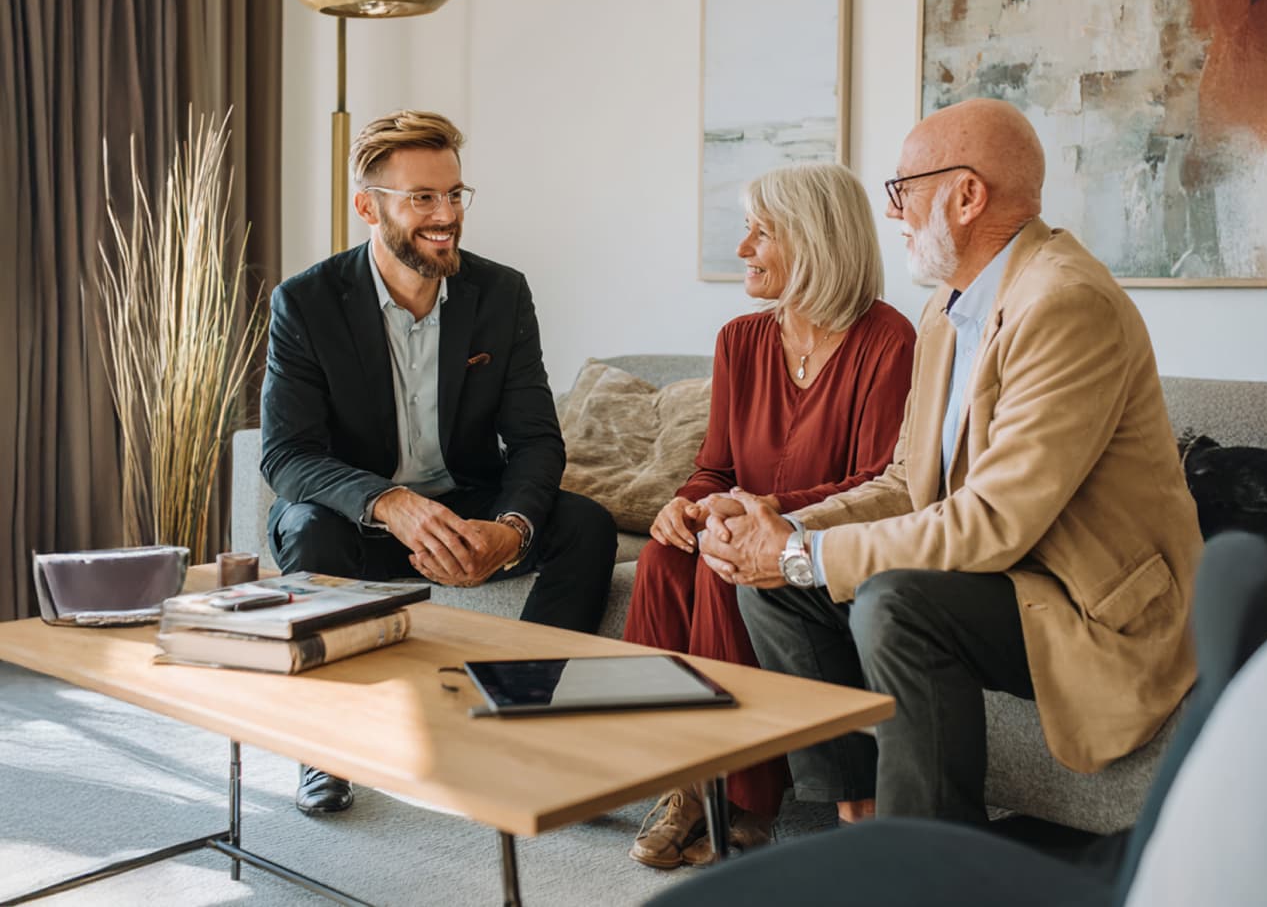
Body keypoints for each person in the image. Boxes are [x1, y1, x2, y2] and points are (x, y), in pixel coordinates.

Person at [699, 98, 1202, 826]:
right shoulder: (948, 309)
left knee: (895, 602)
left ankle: (935, 868)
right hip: (1006, 578)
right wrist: (777, 529)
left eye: (904, 188)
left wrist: (805, 552)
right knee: (772, 587)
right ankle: (860, 813)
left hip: (1082, 604)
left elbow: (994, 521)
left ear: (966, 196)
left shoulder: (1064, 304)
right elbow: (908, 483)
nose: (894, 210)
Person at [260, 110, 615, 815]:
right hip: (357, 521)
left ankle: (524, 721)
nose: (446, 214)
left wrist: (510, 528)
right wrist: (388, 503)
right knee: (307, 528)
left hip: (464, 509)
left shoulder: (501, 293)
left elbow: (537, 439)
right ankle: (324, 748)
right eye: (423, 197)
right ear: (368, 205)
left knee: (586, 525)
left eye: (454, 195)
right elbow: (286, 453)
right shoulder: (305, 302)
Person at [623, 162, 916, 869]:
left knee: (729, 565)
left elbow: (881, 483)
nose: (743, 249)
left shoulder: (890, 341)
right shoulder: (739, 341)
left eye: (761, 232)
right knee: (664, 556)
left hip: (820, 552)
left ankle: (741, 795)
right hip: (739, 527)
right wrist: (686, 506)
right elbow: (715, 467)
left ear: (814, 241)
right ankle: (686, 778)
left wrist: (763, 515)